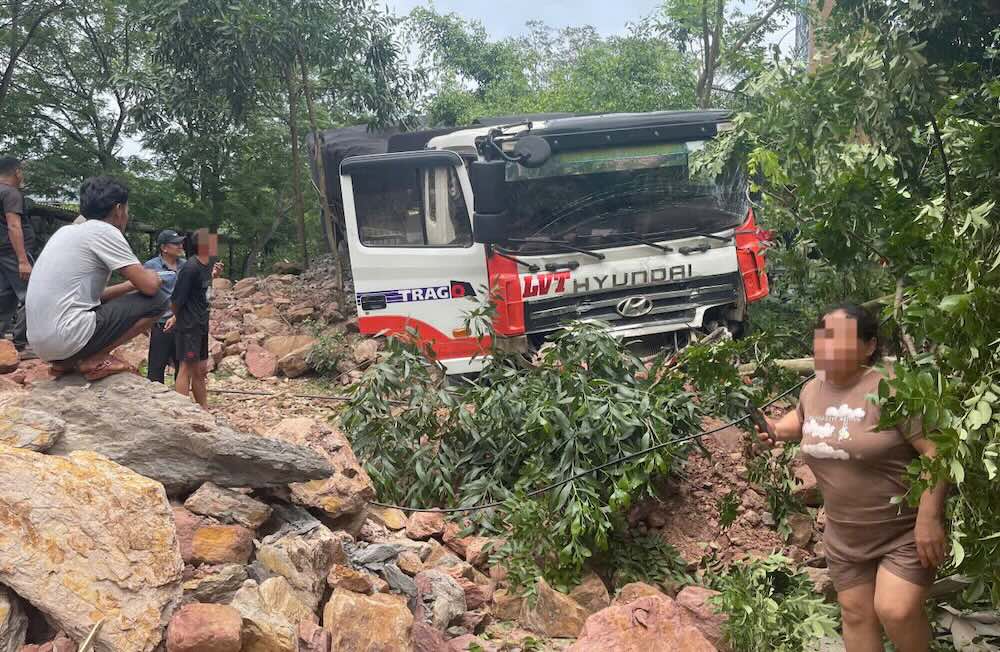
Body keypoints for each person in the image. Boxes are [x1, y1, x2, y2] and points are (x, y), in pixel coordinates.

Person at [755, 303, 947, 652]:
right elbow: (798, 423)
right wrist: (772, 430)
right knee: (855, 615)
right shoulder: (813, 389)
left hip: (902, 531)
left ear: (869, 345)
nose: (826, 346)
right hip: (845, 535)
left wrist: (929, 518)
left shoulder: (892, 389)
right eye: (822, 337)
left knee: (896, 610)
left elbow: (936, 452)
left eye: (838, 338)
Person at [25, 176, 167, 380]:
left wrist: (128, 286)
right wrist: (151, 278)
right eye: (126, 210)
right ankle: (96, 358)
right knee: (158, 301)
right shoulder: (105, 231)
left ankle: (66, 363)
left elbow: (95, 297)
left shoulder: (66, 232)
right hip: (66, 336)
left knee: (104, 306)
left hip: (41, 343)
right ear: (118, 209)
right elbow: (150, 287)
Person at [165, 228, 221, 408]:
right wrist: (176, 317)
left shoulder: (206, 266)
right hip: (189, 326)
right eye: (211, 241)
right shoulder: (190, 268)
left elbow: (202, 292)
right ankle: (182, 411)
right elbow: (176, 300)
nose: (215, 244)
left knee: (200, 369)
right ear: (203, 246)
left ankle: (203, 409)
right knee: (186, 368)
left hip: (202, 324)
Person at [0, 157, 33, 354]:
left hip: (2, 252)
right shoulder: (11, 193)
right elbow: (14, 225)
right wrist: (22, 260)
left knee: (4, 296)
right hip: (14, 253)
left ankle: (2, 343)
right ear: (17, 172)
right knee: (34, 295)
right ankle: (21, 342)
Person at [144, 230, 186, 383]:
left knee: (183, 367)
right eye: (176, 243)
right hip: (160, 323)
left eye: (181, 243)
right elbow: (144, 293)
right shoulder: (151, 266)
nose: (180, 246)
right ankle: (155, 403)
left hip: (182, 322)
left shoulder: (186, 266)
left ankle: (181, 402)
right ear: (164, 247)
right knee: (156, 367)